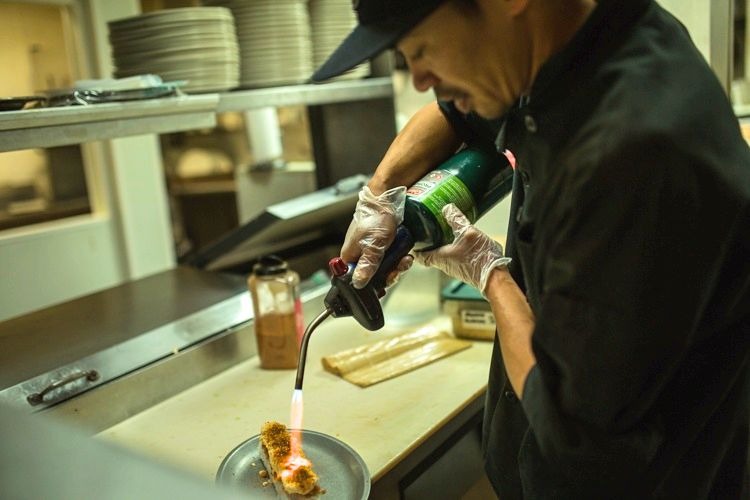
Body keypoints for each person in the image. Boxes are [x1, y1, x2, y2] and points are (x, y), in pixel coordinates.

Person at [312, 0, 750, 498]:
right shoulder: (565, 51)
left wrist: (492, 274)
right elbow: (456, 114)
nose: (418, 79)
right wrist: (381, 193)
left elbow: (571, 429)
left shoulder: (630, 153)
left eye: (421, 50)